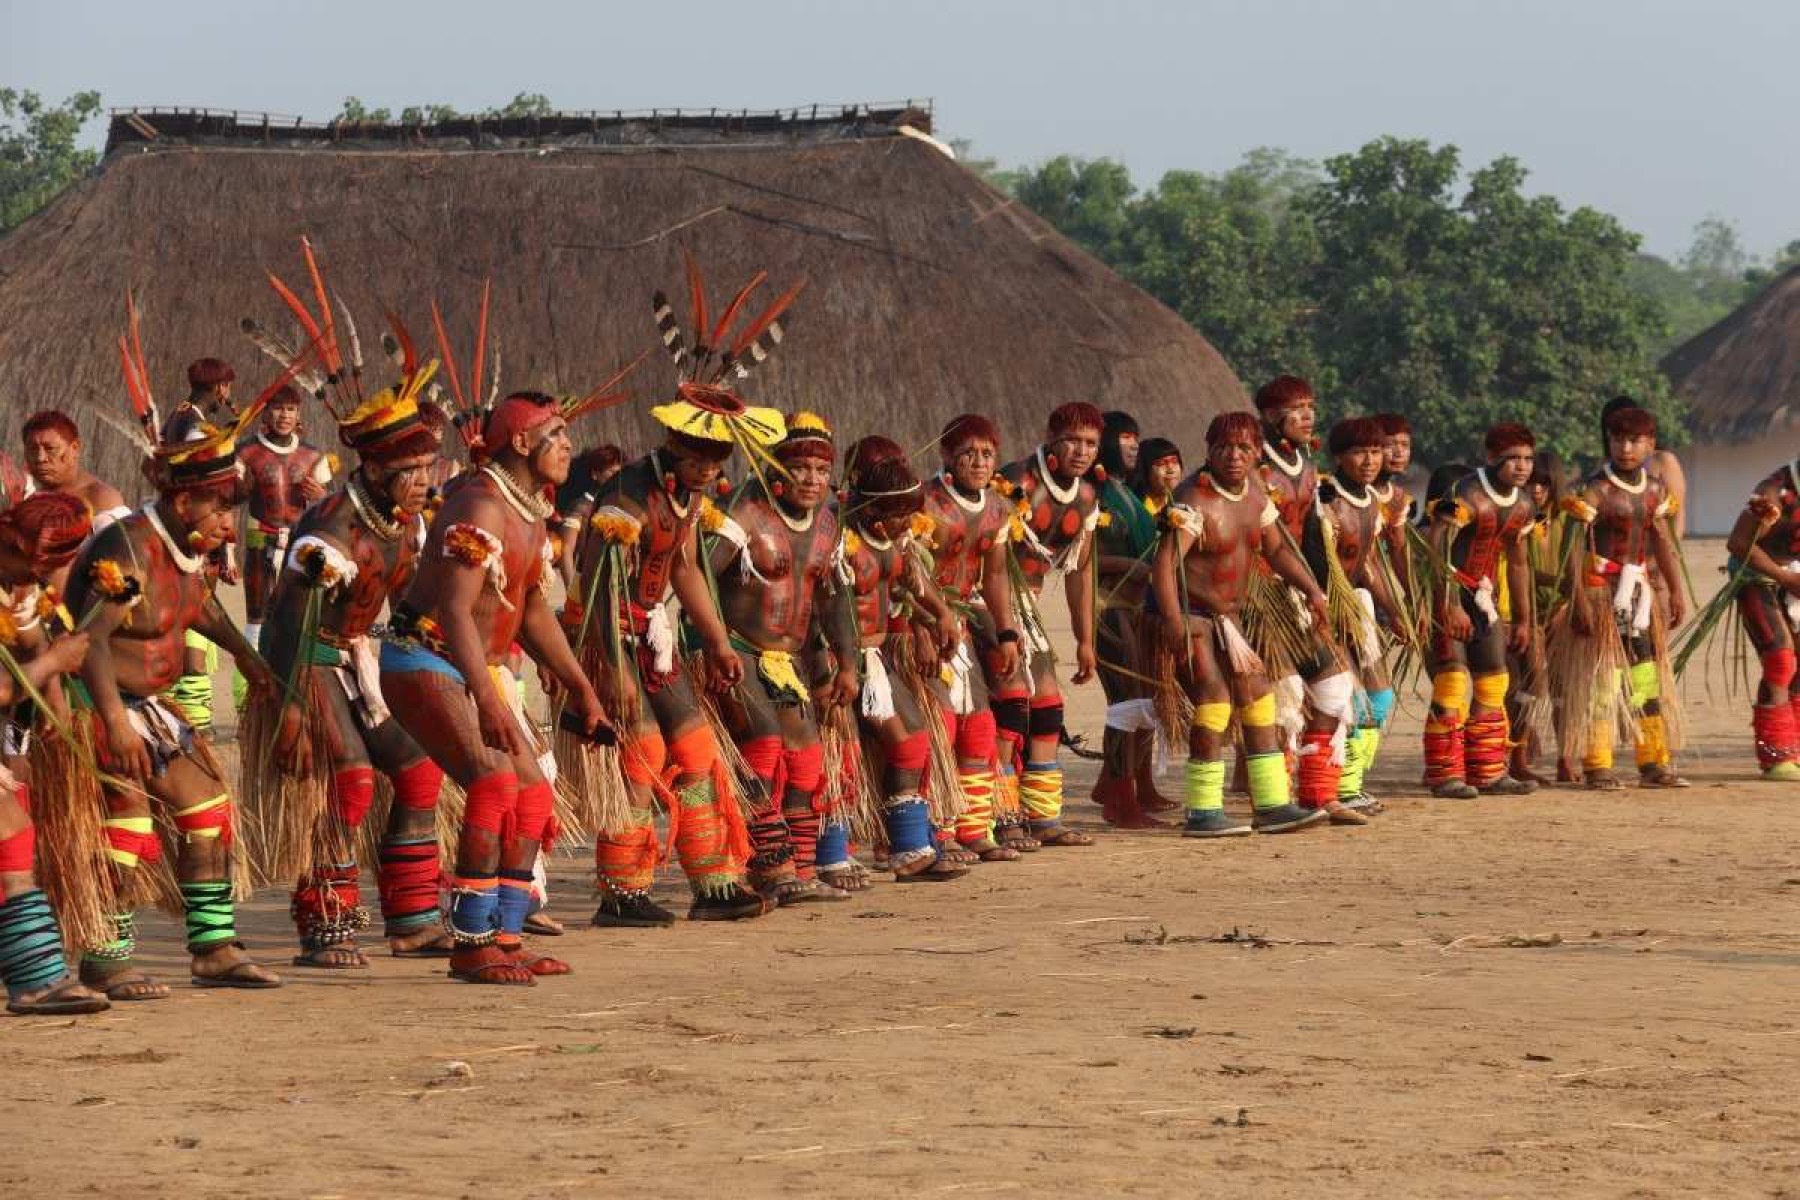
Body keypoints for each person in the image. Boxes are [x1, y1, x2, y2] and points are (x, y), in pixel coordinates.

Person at [59, 338, 290, 998]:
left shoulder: (185, 549)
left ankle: (214, 950)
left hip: (149, 711)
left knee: (209, 810)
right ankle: (106, 955)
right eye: (221, 509)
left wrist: (256, 665)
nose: (227, 522)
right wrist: (114, 723)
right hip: (92, 701)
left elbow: (203, 612)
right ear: (185, 503)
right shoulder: (128, 547)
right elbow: (89, 643)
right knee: (125, 823)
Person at [572, 258, 798, 926]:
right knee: (643, 761)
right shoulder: (628, 496)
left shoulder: (687, 497)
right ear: (671, 444)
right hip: (612, 639)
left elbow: (686, 571)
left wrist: (721, 645)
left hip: (653, 638)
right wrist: (610, 670)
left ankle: (715, 883)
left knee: (697, 750)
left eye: (716, 461)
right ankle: (623, 892)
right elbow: (594, 588)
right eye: (699, 457)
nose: (707, 470)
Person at [381, 379, 611, 984]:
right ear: (520, 441)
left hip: (471, 668)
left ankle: (506, 936)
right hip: (424, 658)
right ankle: (471, 941)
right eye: (555, 436)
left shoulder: (532, 511)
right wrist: (486, 696)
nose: (568, 445)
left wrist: (581, 687)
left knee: (532, 793)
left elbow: (531, 609)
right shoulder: (480, 506)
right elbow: (456, 611)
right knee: (494, 782)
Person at [251, 339, 456, 967]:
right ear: (375, 470)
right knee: (353, 780)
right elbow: (284, 628)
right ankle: (326, 924)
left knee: (421, 771)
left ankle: (415, 917)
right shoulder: (329, 533)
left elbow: (401, 608)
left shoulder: (400, 523)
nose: (425, 483)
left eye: (428, 469)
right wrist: (289, 709)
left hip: (357, 659)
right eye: (413, 472)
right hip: (305, 662)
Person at [1151, 412, 1331, 837]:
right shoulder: (1192, 501)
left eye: (1245, 449)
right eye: (1225, 448)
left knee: (1258, 697)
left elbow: (1277, 550)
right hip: (1191, 616)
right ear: (1209, 450)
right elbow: (1165, 565)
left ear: (1256, 453)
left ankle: (1270, 805)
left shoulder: (1254, 496)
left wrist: (1314, 590)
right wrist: (1174, 621)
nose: (1234, 456)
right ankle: (1203, 811)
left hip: (1230, 618)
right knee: (1214, 702)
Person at [708, 413, 860, 903]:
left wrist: (846, 664)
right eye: (801, 469)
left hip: (787, 659)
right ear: (777, 468)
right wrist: (712, 646)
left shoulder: (827, 521)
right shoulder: (746, 510)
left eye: (821, 470)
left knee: (806, 761)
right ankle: (767, 867)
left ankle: (799, 867)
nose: (813, 480)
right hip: (739, 651)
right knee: (765, 748)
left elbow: (834, 598)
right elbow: (699, 578)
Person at [0, 493, 109, 1015]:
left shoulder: (16, 585)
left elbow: (29, 645)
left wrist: (57, 702)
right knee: (11, 834)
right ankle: (37, 980)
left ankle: (36, 977)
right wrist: (54, 665)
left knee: (15, 834)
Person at [841, 436, 968, 881]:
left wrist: (943, 614)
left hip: (876, 658)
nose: (908, 524)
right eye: (900, 516)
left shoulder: (890, 540)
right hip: (843, 659)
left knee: (914, 741)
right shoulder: (839, 541)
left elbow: (912, 583)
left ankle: (910, 847)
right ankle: (827, 856)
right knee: (842, 755)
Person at [1552, 405, 1688, 789]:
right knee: (1603, 680)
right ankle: (1598, 763)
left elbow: (1662, 542)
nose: (1626, 448)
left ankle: (1654, 761)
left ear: (1651, 444)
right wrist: (1579, 599)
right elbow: (1572, 550)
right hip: (1599, 590)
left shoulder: (1656, 490)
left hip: (1639, 593)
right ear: (1609, 442)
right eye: (1618, 440)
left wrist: (1675, 591)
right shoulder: (1595, 490)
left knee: (1646, 675)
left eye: (1634, 441)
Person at [988, 403, 1105, 847]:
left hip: (1028, 608)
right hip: (987, 606)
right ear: (1052, 438)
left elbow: (1080, 572)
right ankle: (998, 814)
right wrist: (1000, 626)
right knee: (1013, 704)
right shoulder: (1016, 483)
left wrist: (1085, 640)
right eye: (1073, 440)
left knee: (1049, 707)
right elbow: (991, 564)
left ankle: (1042, 815)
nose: (1081, 451)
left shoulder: (1087, 499)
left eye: (1091, 443)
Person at [915, 414, 1026, 859]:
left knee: (979, 726)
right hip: (921, 622)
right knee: (938, 728)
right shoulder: (925, 503)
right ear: (946, 455)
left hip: (961, 624)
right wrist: (922, 628)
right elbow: (911, 572)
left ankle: (974, 828)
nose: (978, 462)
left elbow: (995, 575)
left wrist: (1007, 633)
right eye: (968, 454)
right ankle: (935, 833)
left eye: (987, 454)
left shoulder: (998, 508)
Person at [1255, 376, 1360, 822]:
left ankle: (1320, 795)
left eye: (1310, 407)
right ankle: (1273, 803)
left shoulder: (1307, 466)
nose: (1308, 416)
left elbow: (1313, 536)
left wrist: (1323, 591)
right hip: (1257, 593)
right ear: (1271, 417)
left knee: (1335, 687)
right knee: (1282, 698)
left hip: (1300, 590)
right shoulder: (1255, 466)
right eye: (1296, 409)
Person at [1421, 424, 1539, 799]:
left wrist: (1523, 619)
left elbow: (1518, 564)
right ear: (1491, 458)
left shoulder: (1523, 504)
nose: (1522, 467)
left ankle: (1488, 771)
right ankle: (1445, 774)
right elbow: (1436, 546)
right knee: (1453, 681)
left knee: (1493, 682)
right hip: (1448, 594)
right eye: (1513, 459)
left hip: (1486, 598)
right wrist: (1448, 605)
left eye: (1528, 459)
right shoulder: (1465, 494)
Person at [1308, 418, 1405, 814]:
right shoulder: (1325, 500)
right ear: (1339, 457)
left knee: (1378, 701)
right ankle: (1341, 790)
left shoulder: (1371, 503)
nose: (1369, 461)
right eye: (1359, 452)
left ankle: (1351, 781)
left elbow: (1366, 565)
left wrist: (1395, 611)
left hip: (1357, 607)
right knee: (1343, 700)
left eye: (1376, 452)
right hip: (1322, 608)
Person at [1090, 417, 1175, 828]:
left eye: (1137, 438)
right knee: (1128, 703)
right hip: (1107, 607)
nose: (1134, 445)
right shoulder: (1096, 495)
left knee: (1143, 701)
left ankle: (1118, 787)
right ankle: (1120, 803)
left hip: (1134, 606)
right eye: (1126, 437)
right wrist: (1134, 566)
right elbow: (1082, 560)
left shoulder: (1124, 491)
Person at [236, 386, 333, 652]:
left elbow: (333, 504)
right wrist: (226, 550)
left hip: (300, 538)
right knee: (257, 616)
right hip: (260, 536)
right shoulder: (246, 451)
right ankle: (253, 678)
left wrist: (322, 495)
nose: (284, 416)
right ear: (265, 413)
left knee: (298, 612)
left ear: (298, 414)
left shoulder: (313, 455)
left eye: (291, 409)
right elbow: (228, 500)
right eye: (278, 408)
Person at [1722, 456, 1800, 780]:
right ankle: (1775, 753)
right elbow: (1739, 543)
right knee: (1781, 658)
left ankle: (1794, 744)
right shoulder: (1774, 491)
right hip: (1758, 578)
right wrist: (1785, 578)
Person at [20, 411, 130, 534]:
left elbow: (120, 549)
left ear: (75, 448)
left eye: (50, 449)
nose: (40, 458)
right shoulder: (28, 499)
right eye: (32, 449)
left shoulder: (101, 499)